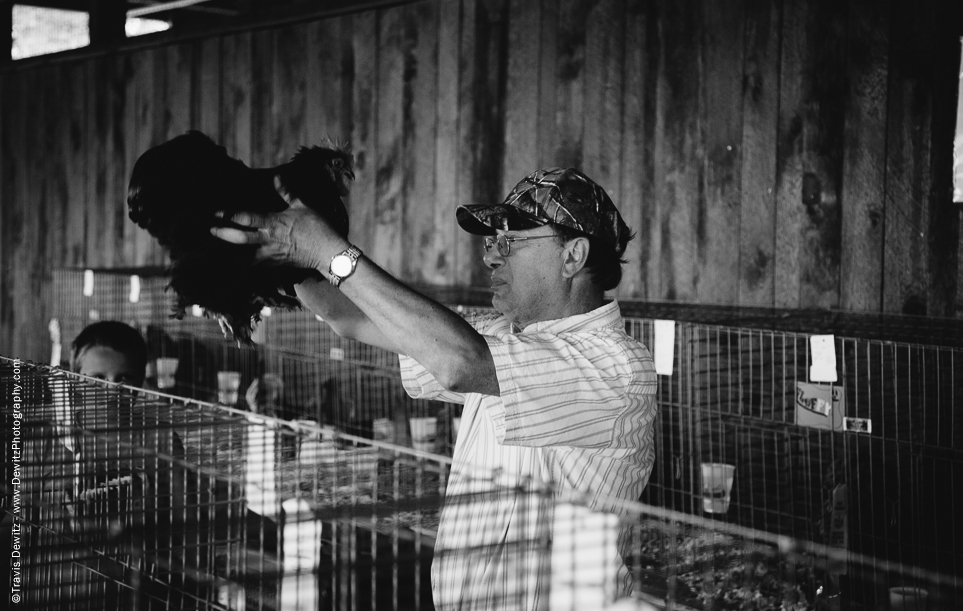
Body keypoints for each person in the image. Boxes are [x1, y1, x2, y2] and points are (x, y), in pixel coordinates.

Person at [212, 167, 658, 610]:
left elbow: (458, 364)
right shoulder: (504, 335)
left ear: (573, 256)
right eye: (491, 240)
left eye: (512, 241)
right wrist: (289, 251)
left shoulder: (617, 366)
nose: (491, 257)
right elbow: (348, 315)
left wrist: (331, 252)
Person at [22, 321, 196, 611]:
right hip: (56, 587)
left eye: (124, 378)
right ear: (76, 381)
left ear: (140, 383)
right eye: (98, 378)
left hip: (135, 588)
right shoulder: (45, 439)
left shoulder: (161, 439)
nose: (111, 390)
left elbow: (179, 524)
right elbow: (22, 521)